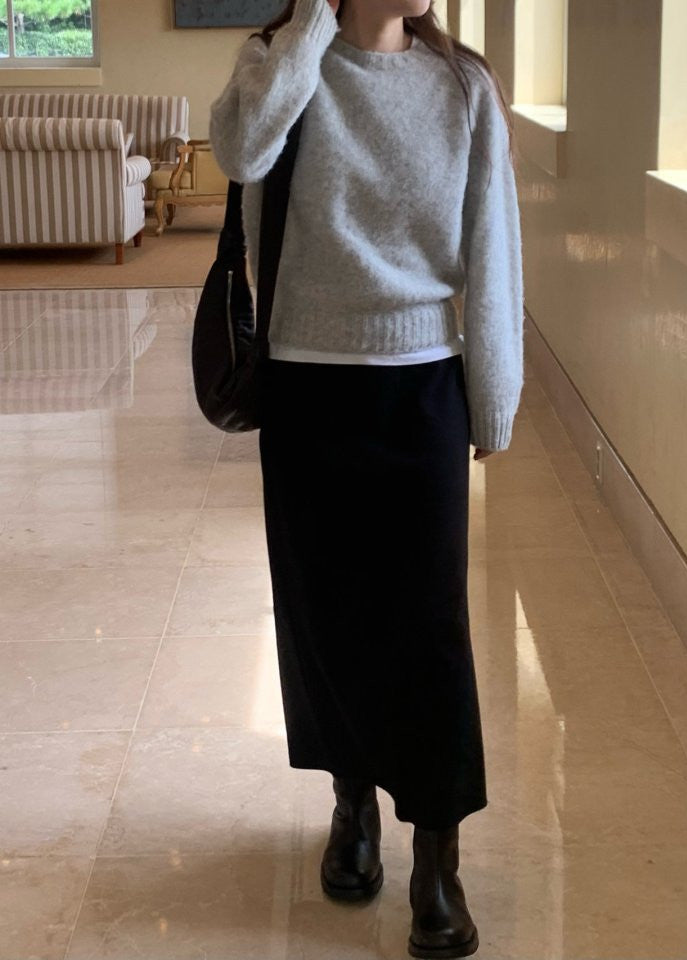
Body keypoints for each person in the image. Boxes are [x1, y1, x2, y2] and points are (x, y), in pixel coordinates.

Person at [209, 0, 524, 956]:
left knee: (428, 632)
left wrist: (493, 394)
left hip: (421, 387)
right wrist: (309, 27)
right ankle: (352, 804)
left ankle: (438, 853)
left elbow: (492, 243)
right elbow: (242, 152)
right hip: (306, 388)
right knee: (324, 615)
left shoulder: (462, 84)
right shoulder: (277, 60)